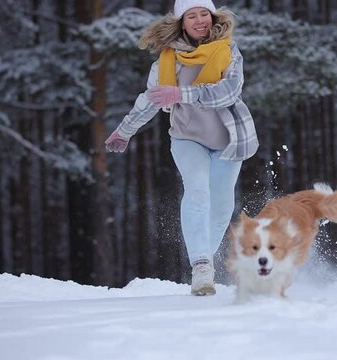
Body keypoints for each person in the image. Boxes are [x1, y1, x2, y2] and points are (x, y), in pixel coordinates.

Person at [105, 0, 258, 296]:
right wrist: (125, 130)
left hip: (229, 140)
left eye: (204, 14)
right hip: (187, 137)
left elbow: (229, 92)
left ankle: (205, 259)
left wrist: (181, 93)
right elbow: (151, 99)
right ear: (181, 22)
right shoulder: (167, 61)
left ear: (213, 17)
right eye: (192, 16)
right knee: (198, 191)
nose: (199, 20)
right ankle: (201, 266)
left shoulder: (228, 50)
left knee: (222, 206)